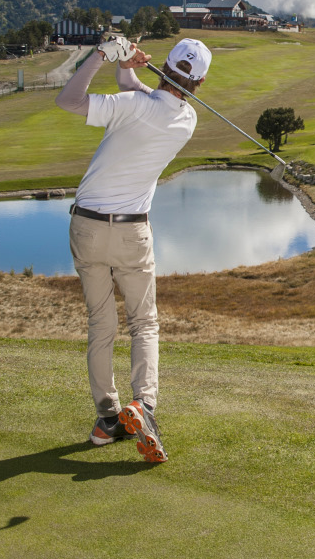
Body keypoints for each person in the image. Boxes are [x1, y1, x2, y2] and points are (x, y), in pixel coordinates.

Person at [54, 35, 213, 461]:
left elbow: (69, 100)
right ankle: (142, 406)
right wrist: (129, 65)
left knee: (101, 325)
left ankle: (108, 419)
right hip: (132, 235)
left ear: (166, 64)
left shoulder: (133, 108)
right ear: (198, 83)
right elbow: (137, 92)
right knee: (144, 323)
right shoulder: (186, 120)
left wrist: (103, 56)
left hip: (86, 226)